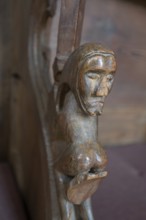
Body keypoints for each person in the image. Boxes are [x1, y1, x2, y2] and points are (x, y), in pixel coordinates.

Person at [52, 43, 117, 219]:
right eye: (94, 76)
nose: (102, 91)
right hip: (66, 159)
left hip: (82, 162)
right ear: (74, 76)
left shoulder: (90, 107)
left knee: (97, 158)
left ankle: (84, 208)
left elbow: (90, 142)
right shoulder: (69, 109)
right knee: (84, 158)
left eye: (109, 79)